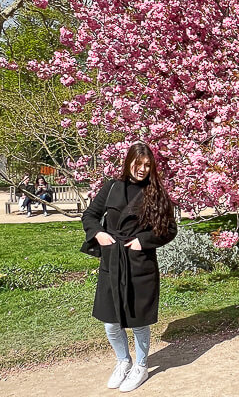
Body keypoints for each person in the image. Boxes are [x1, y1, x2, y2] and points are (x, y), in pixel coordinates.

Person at [81, 143, 177, 391]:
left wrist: (143, 241)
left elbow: (169, 230)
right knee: (110, 321)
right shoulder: (112, 187)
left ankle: (141, 366)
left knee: (137, 321)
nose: (142, 169)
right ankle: (123, 361)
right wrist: (98, 233)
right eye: (138, 163)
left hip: (139, 263)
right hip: (112, 261)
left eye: (147, 165)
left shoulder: (156, 193)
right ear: (128, 162)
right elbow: (90, 215)